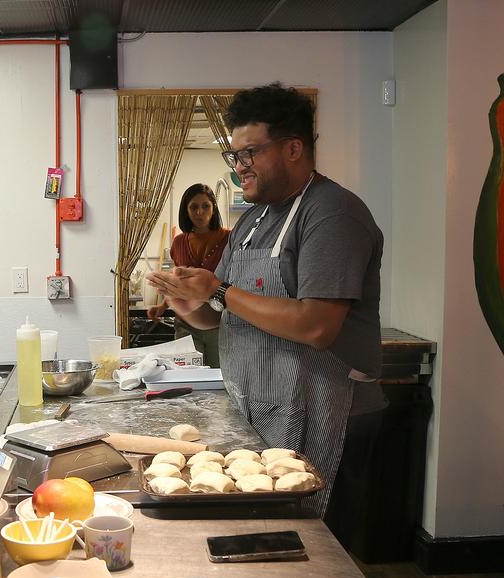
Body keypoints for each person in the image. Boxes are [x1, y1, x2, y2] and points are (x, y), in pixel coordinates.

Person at [146, 83, 387, 515]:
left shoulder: (332, 214)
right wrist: (188, 302)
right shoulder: (253, 220)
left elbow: (315, 325)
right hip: (265, 410)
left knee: (319, 556)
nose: (239, 168)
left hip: (328, 414)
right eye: (234, 156)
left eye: (249, 153)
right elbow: (219, 314)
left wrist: (216, 290)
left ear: (293, 148)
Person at [147, 183, 231, 366]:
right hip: (186, 322)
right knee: (190, 376)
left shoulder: (229, 239)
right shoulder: (179, 242)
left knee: (220, 375)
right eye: (194, 207)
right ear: (186, 210)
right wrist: (162, 307)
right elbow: (178, 282)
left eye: (205, 206)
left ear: (213, 208)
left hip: (219, 321)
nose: (200, 212)